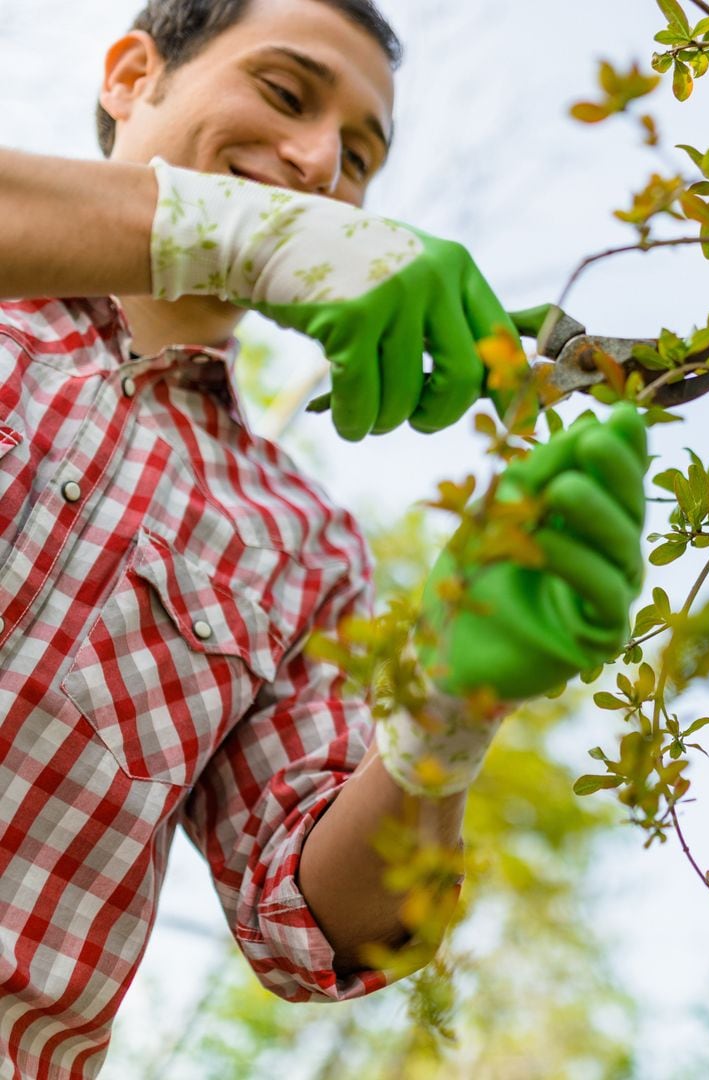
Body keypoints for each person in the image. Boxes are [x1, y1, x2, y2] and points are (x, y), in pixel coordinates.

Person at [0, 0, 648, 1076]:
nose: (317, 163)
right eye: (286, 94)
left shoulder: (300, 543)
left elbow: (331, 927)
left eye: (359, 158)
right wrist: (234, 232)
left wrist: (445, 713)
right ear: (130, 75)